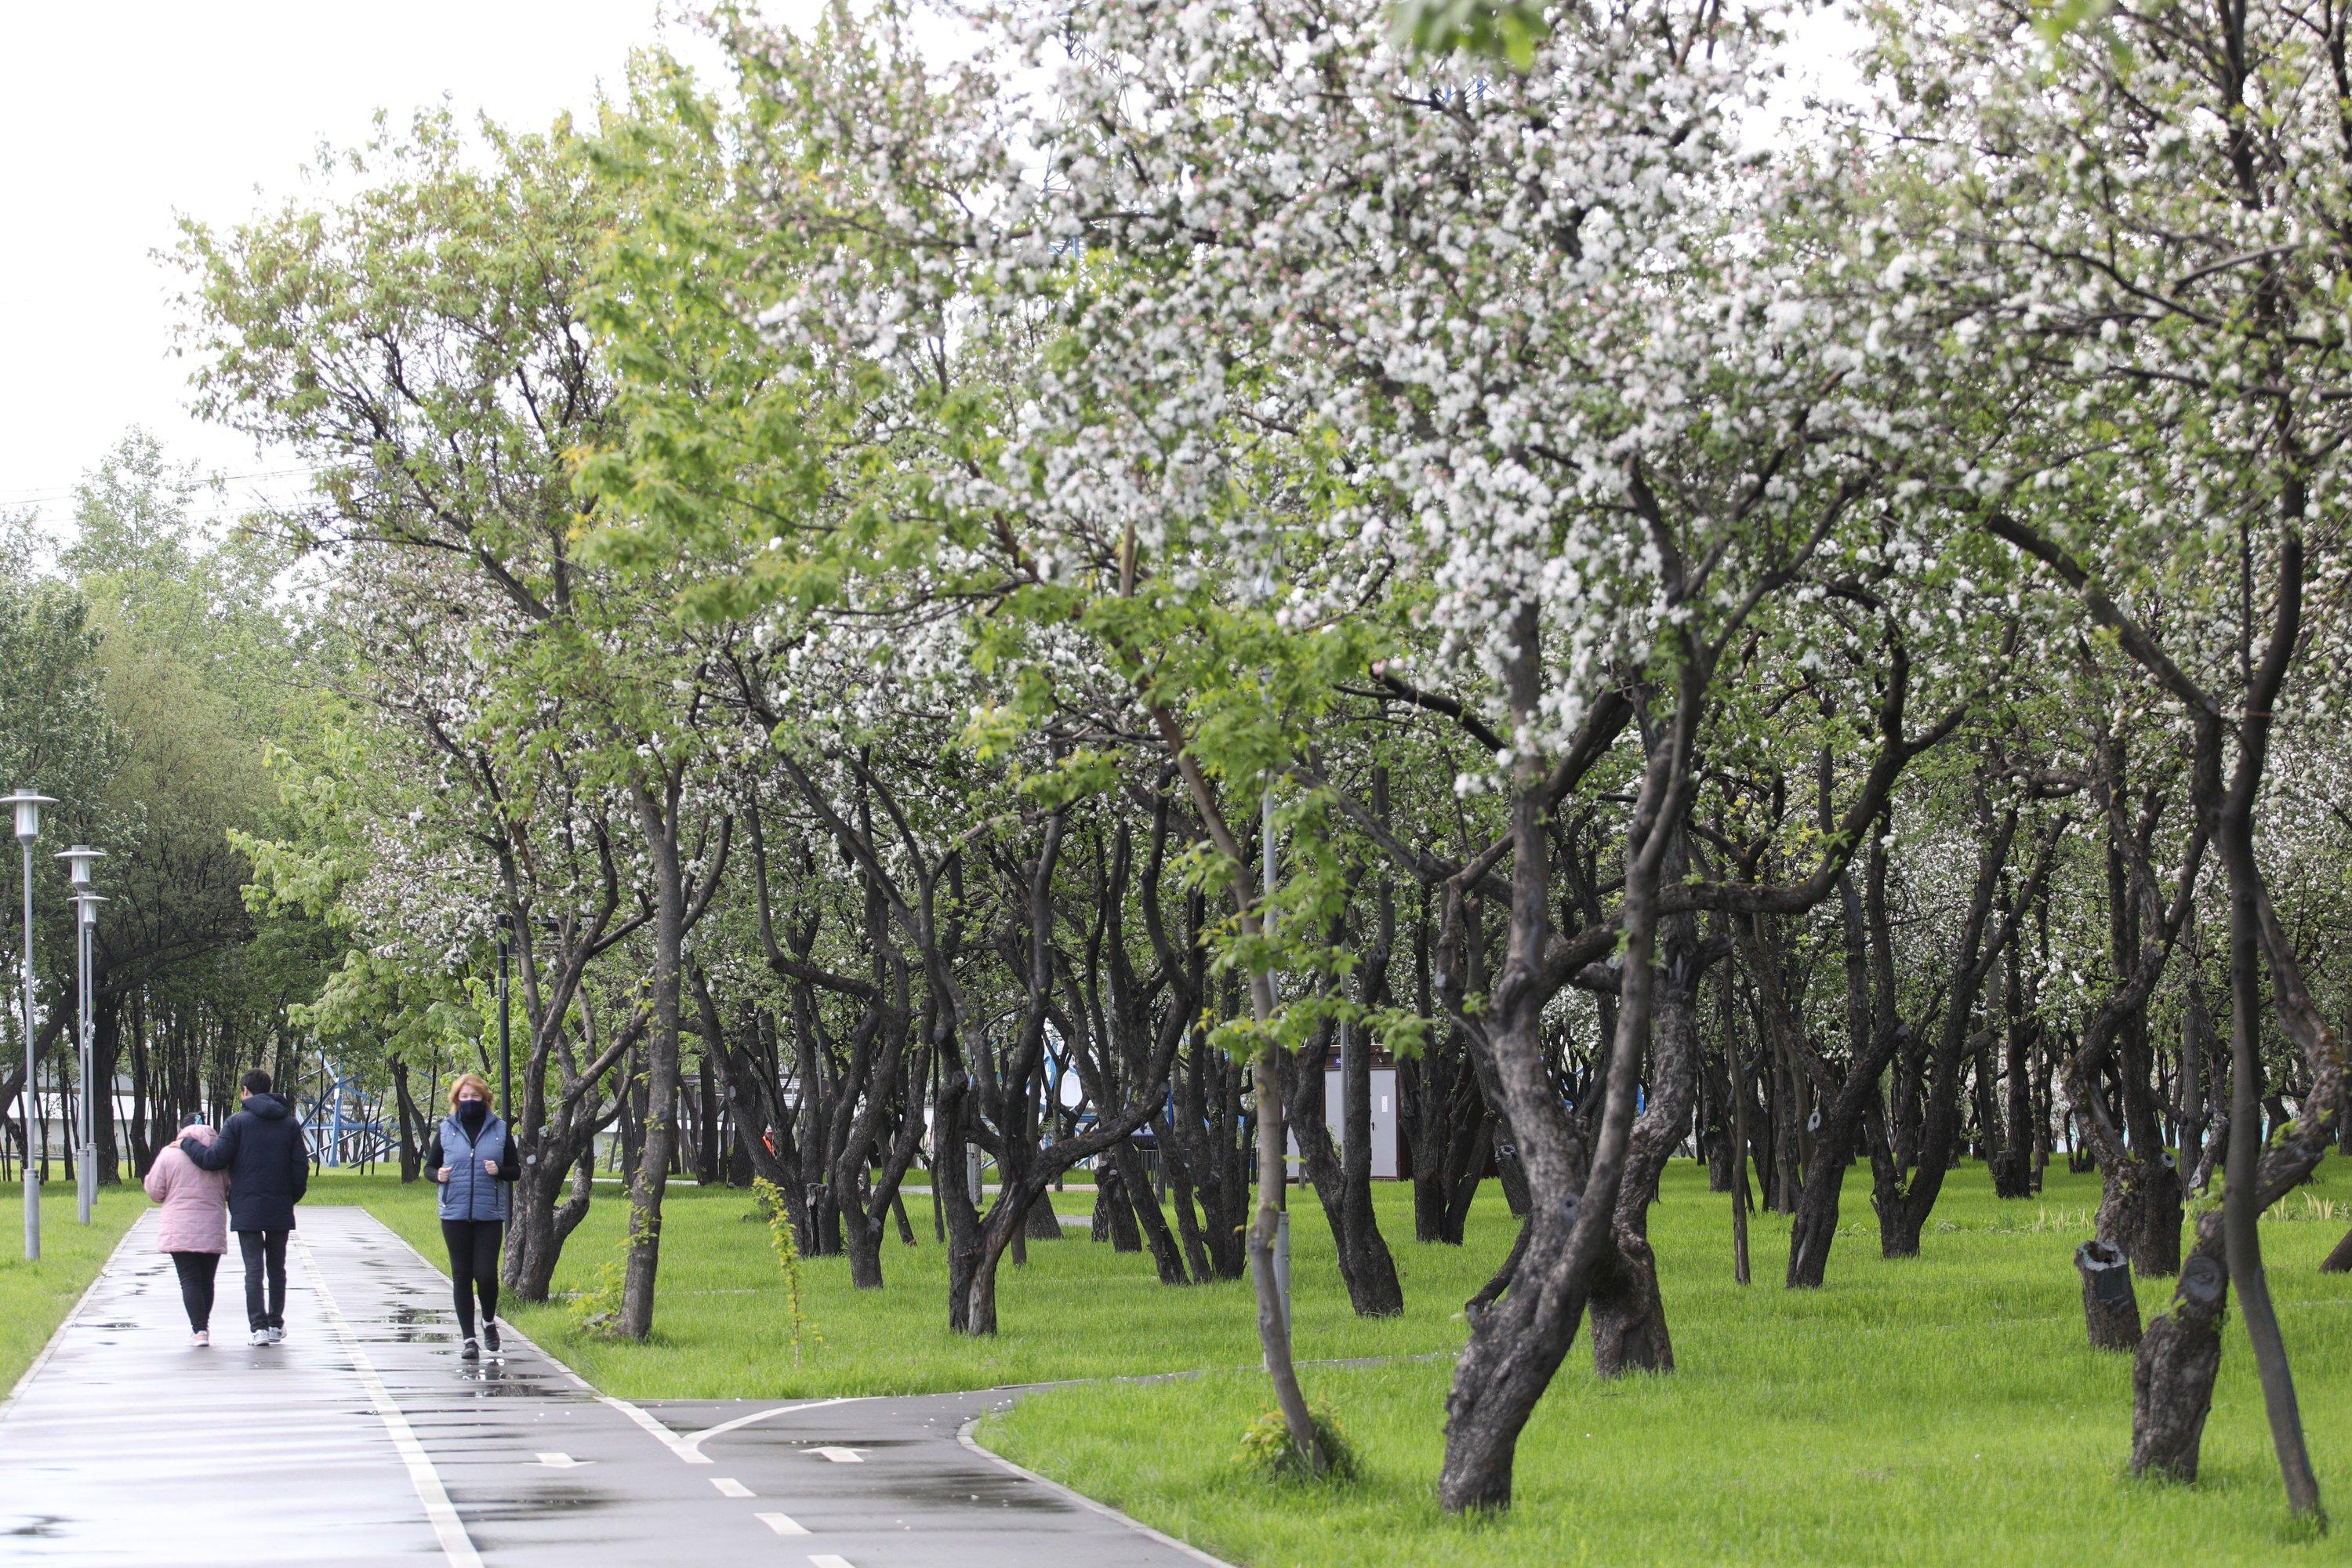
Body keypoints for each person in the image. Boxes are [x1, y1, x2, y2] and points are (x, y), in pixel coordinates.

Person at [179, 1069, 310, 1347]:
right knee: (277, 1268)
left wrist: (188, 1144)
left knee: (253, 1269)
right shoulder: (289, 1125)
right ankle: (276, 1323)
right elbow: (300, 1167)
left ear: (246, 1091)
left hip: (247, 1207)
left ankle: (258, 1328)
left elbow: (214, 1159)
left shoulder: (236, 1123)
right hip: (279, 1206)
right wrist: (290, 1197)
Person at [424, 1073, 516, 1359]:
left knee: (486, 1275)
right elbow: (429, 1168)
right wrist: (437, 1175)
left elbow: (516, 1170)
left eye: (475, 1097)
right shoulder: (447, 1130)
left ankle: (488, 1321)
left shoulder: (500, 1130)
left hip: (489, 1214)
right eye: (464, 1097)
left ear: (485, 1099)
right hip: (454, 1213)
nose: (470, 1102)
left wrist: (498, 1171)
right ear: (456, 1100)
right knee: (462, 1275)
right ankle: (469, 1340)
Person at [144, 1112, 230, 1347]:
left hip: (179, 1227)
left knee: (189, 1280)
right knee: (207, 1280)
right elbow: (229, 1188)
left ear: (182, 1130)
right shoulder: (218, 1157)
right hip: (212, 1224)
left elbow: (155, 1191)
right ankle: (203, 1326)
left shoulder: (169, 1154)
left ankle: (199, 1330)